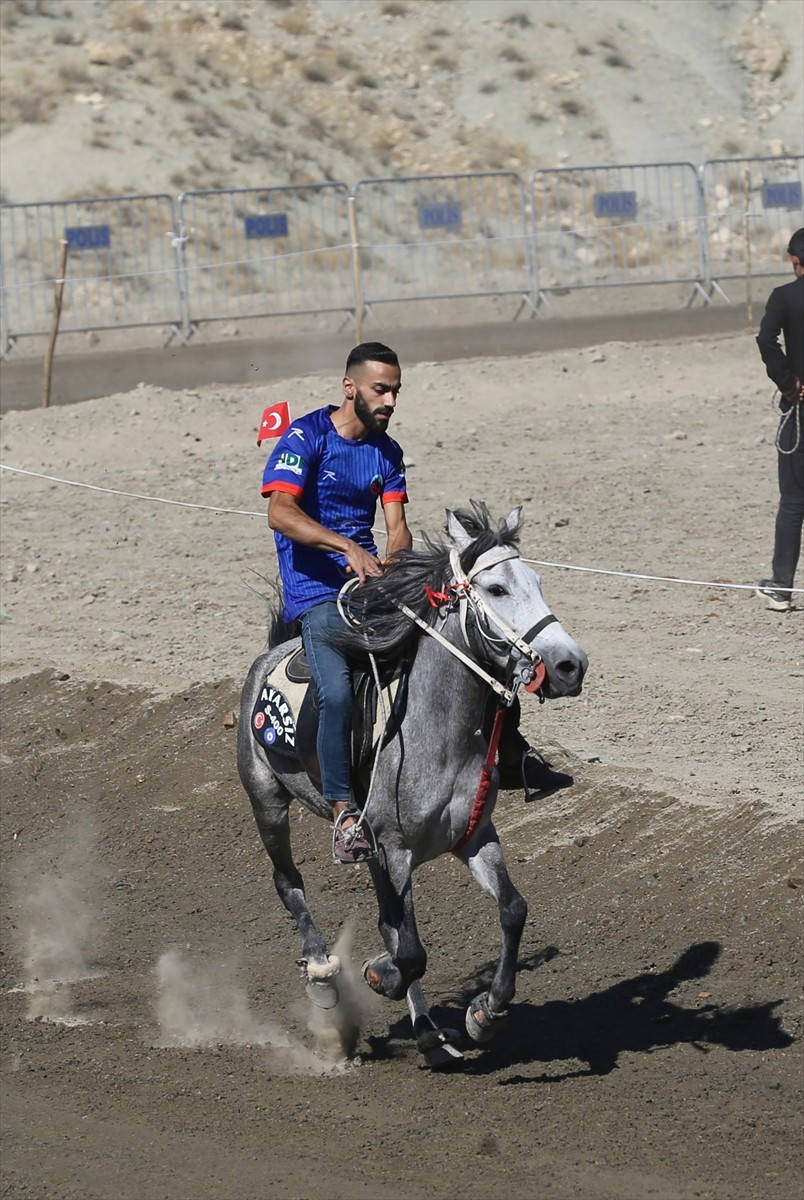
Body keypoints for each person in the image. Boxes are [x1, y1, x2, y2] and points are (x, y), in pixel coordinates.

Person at [261, 342, 571, 865]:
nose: (390, 401)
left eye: (396, 391)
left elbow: (398, 530)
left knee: (468, 643)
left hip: (370, 591)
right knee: (336, 694)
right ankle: (342, 813)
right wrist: (348, 548)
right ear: (350, 387)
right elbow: (280, 513)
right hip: (316, 597)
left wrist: (395, 567)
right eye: (381, 389)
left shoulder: (387, 451)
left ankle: (515, 755)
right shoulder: (304, 437)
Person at [755, 227, 804, 612]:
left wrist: (788, 384)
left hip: (801, 410)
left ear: (794, 260)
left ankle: (781, 588)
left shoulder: (784, 297)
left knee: (793, 499)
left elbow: (766, 340)